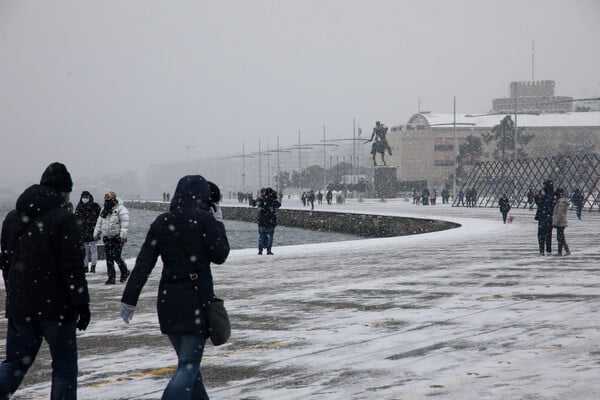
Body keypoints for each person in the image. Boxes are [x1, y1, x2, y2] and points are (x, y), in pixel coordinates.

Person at [120, 175, 230, 400]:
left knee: (188, 367)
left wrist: (129, 299)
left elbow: (143, 264)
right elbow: (220, 255)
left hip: (168, 303)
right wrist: (218, 223)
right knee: (189, 366)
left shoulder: (162, 222)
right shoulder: (204, 220)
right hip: (196, 304)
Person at [0, 162, 90, 399]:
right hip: (57, 307)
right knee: (64, 366)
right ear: (63, 191)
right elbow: (72, 265)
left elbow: (7, 261)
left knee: (15, 363)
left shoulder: (12, 218)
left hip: (20, 307)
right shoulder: (65, 219)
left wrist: (15, 293)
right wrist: (81, 303)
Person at [94, 190, 130, 284]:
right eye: (105, 198)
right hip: (107, 237)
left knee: (116, 256)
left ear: (113, 199)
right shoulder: (104, 210)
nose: (106, 200)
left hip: (117, 237)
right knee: (109, 258)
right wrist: (96, 233)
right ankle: (111, 278)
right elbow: (99, 222)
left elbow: (125, 223)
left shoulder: (121, 209)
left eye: (108, 198)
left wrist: (123, 235)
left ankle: (124, 271)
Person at [75, 190, 101, 273]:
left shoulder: (95, 206)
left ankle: (93, 266)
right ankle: (85, 266)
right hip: (83, 231)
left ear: (89, 197)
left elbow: (99, 219)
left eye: (86, 197)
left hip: (93, 230)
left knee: (93, 249)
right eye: (83, 197)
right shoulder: (79, 207)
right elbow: (76, 219)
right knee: (84, 250)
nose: (84, 199)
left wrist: (98, 230)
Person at [257, 187, 281, 255]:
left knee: (261, 236)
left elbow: (258, 205)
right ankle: (268, 250)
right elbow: (279, 205)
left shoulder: (263, 199)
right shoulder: (273, 200)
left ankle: (260, 250)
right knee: (270, 236)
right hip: (271, 221)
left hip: (262, 221)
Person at [534, 179, 555, 256]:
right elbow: (540, 204)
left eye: (545, 185)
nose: (543, 186)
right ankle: (545, 250)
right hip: (546, 218)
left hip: (545, 218)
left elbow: (542, 204)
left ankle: (544, 250)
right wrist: (537, 197)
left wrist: (539, 197)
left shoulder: (550, 195)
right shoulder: (549, 195)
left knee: (543, 235)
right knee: (546, 235)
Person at [552, 188, 571, 256]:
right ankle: (566, 250)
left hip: (560, 222)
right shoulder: (562, 202)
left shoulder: (561, 203)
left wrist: (555, 223)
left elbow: (559, 214)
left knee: (560, 238)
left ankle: (560, 252)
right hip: (562, 222)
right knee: (561, 237)